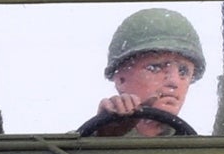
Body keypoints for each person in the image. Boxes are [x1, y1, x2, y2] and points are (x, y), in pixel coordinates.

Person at [87, 8, 206, 136]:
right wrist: (102, 137)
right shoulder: (77, 145)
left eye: (183, 71)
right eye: (155, 68)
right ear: (121, 79)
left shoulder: (201, 147)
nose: (174, 81)